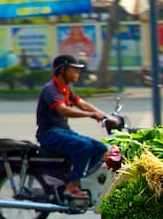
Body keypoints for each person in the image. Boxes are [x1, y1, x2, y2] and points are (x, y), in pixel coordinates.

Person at [36, 54, 112, 198]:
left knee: (100, 148)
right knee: (83, 146)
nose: (78, 73)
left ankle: (82, 182)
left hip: (63, 131)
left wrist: (105, 116)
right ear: (63, 70)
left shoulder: (65, 89)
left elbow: (81, 103)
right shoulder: (51, 89)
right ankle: (72, 187)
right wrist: (91, 115)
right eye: (74, 70)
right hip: (49, 134)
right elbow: (63, 110)